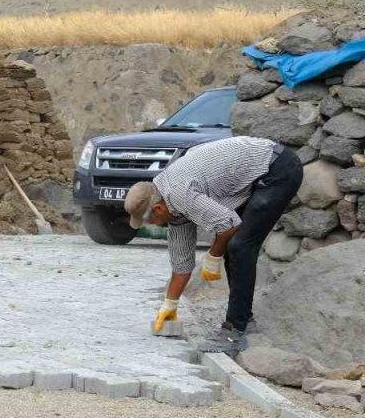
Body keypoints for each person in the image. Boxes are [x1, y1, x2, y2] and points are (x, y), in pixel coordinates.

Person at [124, 135, 302, 354]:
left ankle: (235, 332)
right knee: (234, 245)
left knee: (239, 246)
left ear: (158, 209)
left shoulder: (178, 194)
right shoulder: (170, 206)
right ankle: (246, 322)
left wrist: (213, 256)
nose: (153, 225)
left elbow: (229, 224)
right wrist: (170, 304)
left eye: (150, 220)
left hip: (277, 169)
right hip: (256, 174)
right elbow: (181, 264)